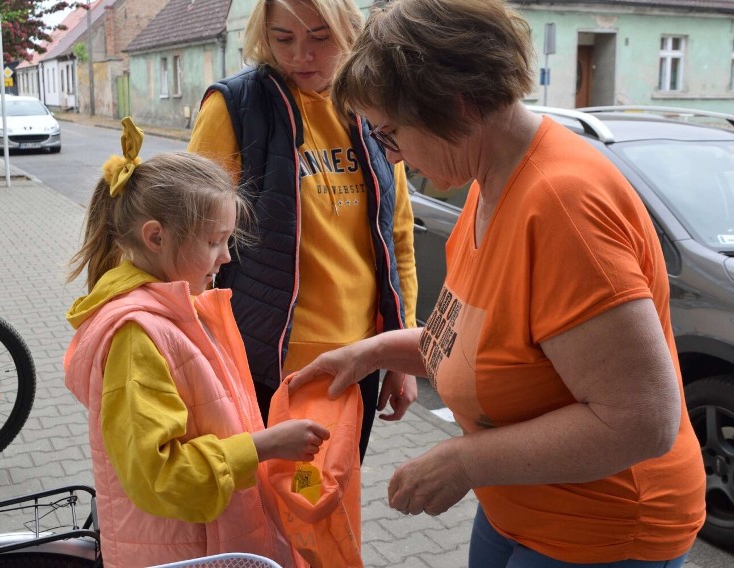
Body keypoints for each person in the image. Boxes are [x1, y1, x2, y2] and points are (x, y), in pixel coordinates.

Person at [290, 0, 707, 566]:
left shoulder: (563, 206)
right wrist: (370, 353)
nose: (392, 158)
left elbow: (640, 421)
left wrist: (465, 461)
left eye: (390, 133)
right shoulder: (490, 182)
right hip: (521, 503)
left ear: (455, 105)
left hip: (600, 529)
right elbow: (478, 343)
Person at [64, 117, 327, 568]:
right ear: (156, 237)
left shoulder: (187, 308)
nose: (226, 257)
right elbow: (160, 476)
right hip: (186, 553)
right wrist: (264, 446)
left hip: (214, 539)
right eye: (214, 242)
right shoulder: (136, 335)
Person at [187, 0, 419, 463]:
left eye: (319, 37)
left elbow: (397, 241)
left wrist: (400, 352)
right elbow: (190, 240)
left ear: (348, 30)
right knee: (268, 517)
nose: (300, 56)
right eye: (283, 38)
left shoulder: (370, 108)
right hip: (268, 362)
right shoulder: (236, 108)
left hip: (359, 361)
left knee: (332, 512)